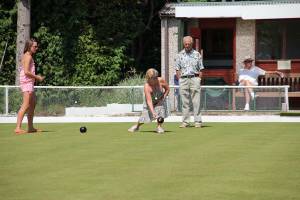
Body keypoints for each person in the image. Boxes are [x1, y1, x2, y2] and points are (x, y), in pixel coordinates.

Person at [14, 38, 45, 134]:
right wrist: (37, 77)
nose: (36, 48)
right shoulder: (28, 57)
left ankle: (30, 127)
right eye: (34, 46)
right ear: (29, 47)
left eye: (36, 46)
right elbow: (27, 72)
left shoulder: (28, 56)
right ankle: (18, 128)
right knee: (26, 104)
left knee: (32, 104)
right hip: (27, 82)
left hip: (29, 82)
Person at [128, 68, 170, 133]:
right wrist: (153, 112)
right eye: (153, 78)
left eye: (156, 77)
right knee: (145, 117)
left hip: (160, 99)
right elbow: (149, 101)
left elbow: (167, 89)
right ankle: (137, 126)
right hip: (150, 102)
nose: (155, 79)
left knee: (161, 112)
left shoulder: (161, 80)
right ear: (148, 78)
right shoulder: (146, 86)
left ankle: (159, 127)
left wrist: (163, 98)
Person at [175, 36, 204, 128]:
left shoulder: (197, 54)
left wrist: (199, 79)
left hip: (194, 78)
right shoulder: (179, 55)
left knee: (196, 101)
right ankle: (185, 122)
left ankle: (198, 121)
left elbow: (201, 69)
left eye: (189, 44)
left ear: (192, 44)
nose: (187, 45)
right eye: (185, 44)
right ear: (183, 44)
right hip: (183, 79)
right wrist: (180, 79)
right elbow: (177, 69)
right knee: (184, 102)